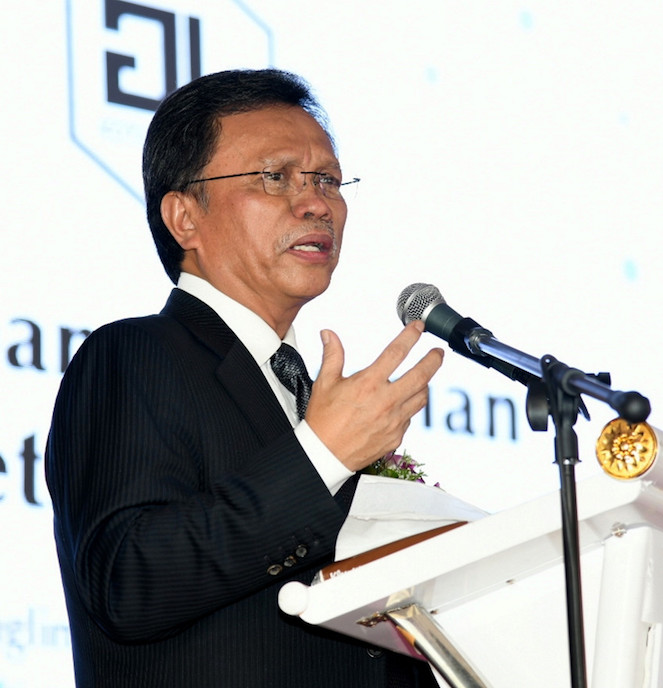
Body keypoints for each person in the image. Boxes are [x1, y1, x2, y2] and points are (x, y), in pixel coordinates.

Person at [44, 69, 445, 687]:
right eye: (274, 176)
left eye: (327, 180)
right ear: (184, 217)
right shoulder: (132, 355)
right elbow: (127, 580)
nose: (316, 202)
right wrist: (322, 457)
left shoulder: (308, 394)